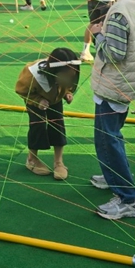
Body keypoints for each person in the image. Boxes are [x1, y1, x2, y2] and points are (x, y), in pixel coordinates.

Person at [88, 0, 135, 220]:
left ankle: (128, 198)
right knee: (110, 136)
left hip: (114, 86)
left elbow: (114, 54)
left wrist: (98, 35)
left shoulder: (119, 10)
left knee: (108, 139)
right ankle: (113, 176)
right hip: (126, 84)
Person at [15, 48, 81, 181]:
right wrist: (37, 100)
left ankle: (58, 162)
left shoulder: (68, 72)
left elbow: (68, 83)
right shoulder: (32, 76)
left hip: (55, 96)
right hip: (35, 97)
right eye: (66, 75)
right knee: (38, 125)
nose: (69, 77)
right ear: (54, 71)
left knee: (58, 124)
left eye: (71, 75)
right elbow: (21, 90)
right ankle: (32, 159)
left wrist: (67, 92)